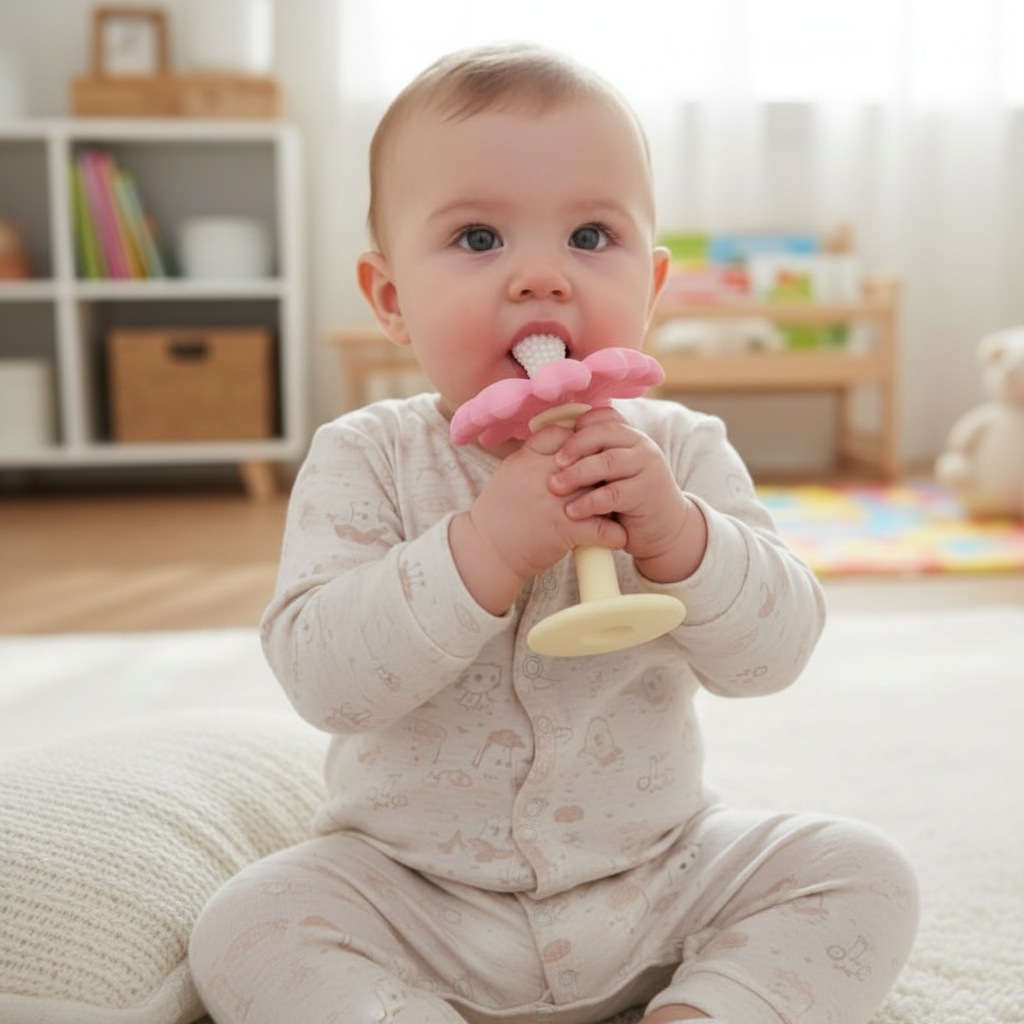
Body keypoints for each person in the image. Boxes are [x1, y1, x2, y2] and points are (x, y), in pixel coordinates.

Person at [189, 43, 918, 1024]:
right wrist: (481, 548)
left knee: (859, 871)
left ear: (651, 285)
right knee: (246, 925)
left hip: (657, 874)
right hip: (414, 892)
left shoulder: (680, 452)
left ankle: (701, 1011)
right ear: (390, 299)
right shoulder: (365, 456)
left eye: (589, 233)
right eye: (479, 238)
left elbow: (774, 654)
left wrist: (680, 537)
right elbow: (324, 678)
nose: (541, 277)